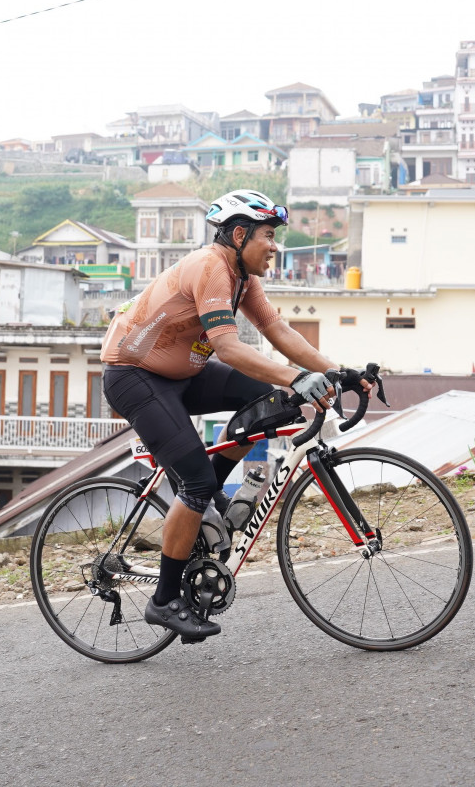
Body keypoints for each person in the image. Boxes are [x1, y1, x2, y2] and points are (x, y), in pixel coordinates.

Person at [101, 190, 368, 640]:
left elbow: (277, 330)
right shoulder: (210, 267)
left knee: (267, 398)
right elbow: (227, 348)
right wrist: (298, 377)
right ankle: (164, 600)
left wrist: (338, 372)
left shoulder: (242, 277)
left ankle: (211, 506)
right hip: (135, 376)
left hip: (182, 373)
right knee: (195, 482)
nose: (275, 246)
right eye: (268, 236)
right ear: (240, 235)